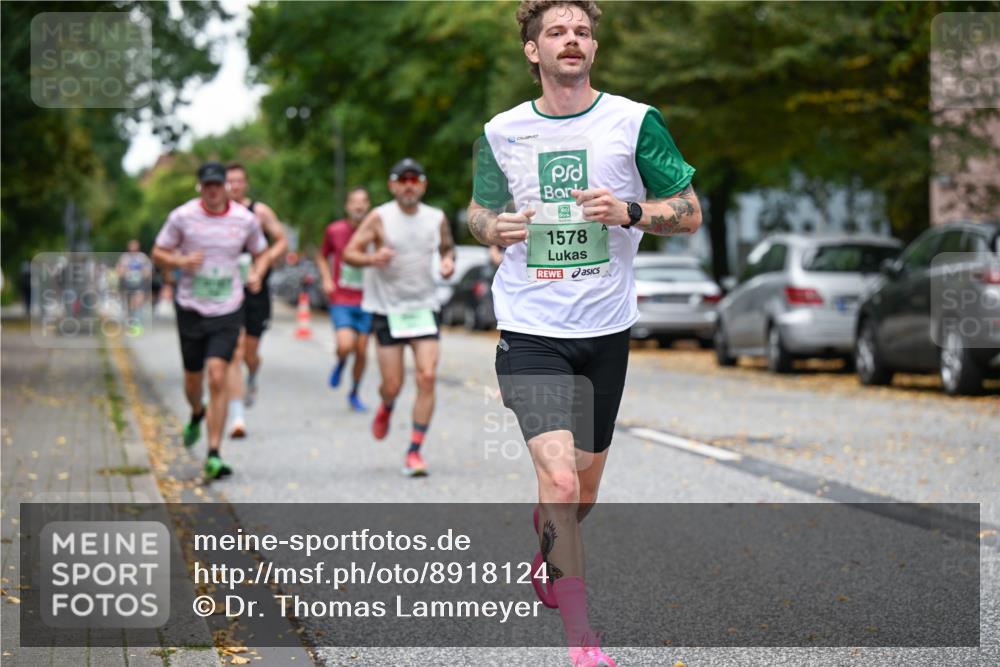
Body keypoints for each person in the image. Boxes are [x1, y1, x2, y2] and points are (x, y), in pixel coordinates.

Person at [466, 2, 702, 665]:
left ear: (593, 48)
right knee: (562, 483)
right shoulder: (501, 131)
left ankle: (547, 551)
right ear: (532, 52)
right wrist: (496, 228)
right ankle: (582, 640)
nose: (572, 40)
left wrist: (630, 210)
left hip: (605, 330)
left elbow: (688, 213)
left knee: (585, 485)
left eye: (582, 32)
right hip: (530, 327)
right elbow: (480, 213)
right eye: (556, 33)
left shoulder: (634, 122)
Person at [151, 162, 270, 480]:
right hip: (191, 307)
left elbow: (262, 251)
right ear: (200, 186)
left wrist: (257, 272)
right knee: (193, 381)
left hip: (228, 307)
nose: (214, 190)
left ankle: (214, 452)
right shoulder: (182, 216)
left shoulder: (245, 220)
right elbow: (158, 251)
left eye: (218, 185)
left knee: (218, 375)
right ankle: (196, 411)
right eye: (208, 185)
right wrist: (179, 261)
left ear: (226, 188)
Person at [343, 158, 455, 477]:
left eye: (414, 179)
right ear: (393, 185)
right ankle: (387, 405)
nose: (408, 185)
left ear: (423, 185)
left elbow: (448, 249)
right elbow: (351, 251)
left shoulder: (436, 218)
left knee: (427, 376)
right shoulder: (379, 217)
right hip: (388, 309)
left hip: (424, 307)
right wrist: (372, 257)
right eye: (402, 180)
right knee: (392, 384)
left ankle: (415, 450)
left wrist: (447, 262)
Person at [223, 162, 288, 438]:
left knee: (250, 352)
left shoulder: (258, 211)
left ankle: (252, 376)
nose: (234, 186)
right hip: (228, 288)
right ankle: (236, 416)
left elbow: (282, 240)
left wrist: (264, 262)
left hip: (255, 288)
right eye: (230, 181)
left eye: (239, 181)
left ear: (246, 184)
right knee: (234, 351)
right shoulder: (219, 213)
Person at [317, 187, 374, 412]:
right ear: (347, 206)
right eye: (354, 202)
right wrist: (326, 279)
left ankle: (354, 392)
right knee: (345, 345)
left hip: (368, 299)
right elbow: (322, 256)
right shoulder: (335, 230)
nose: (358, 206)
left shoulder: (376, 230)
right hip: (341, 297)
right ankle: (341, 361)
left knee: (361, 351)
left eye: (363, 201)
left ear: (368, 205)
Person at [116, 239, 152, 335]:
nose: (133, 248)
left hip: (139, 285)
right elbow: (119, 270)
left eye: (134, 245)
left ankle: (137, 326)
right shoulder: (124, 258)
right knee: (129, 306)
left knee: (136, 304)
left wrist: (141, 274)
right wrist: (124, 272)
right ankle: (130, 324)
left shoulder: (142, 257)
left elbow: (148, 271)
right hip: (127, 285)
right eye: (131, 245)